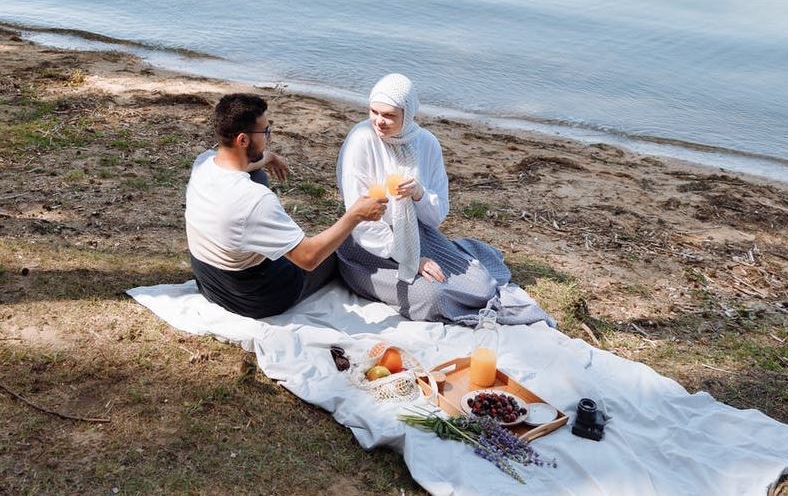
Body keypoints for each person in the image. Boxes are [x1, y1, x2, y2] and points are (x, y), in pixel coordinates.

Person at [335, 74, 554, 327]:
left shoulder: (426, 144)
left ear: (408, 114)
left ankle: (463, 254)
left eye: (389, 115)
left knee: (482, 287)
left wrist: (419, 194)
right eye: (374, 112)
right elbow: (358, 218)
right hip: (366, 245)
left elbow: (435, 218)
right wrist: (412, 260)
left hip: (415, 234)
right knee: (433, 297)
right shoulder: (361, 138)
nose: (379, 121)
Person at [186, 93, 387, 318]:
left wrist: (269, 157)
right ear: (243, 140)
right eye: (266, 132)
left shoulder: (203, 162)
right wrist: (355, 216)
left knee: (258, 174)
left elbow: (247, 167)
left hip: (210, 283)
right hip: (255, 298)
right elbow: (308, 258)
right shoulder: (255, 200)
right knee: (341, 249)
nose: (268, 138)